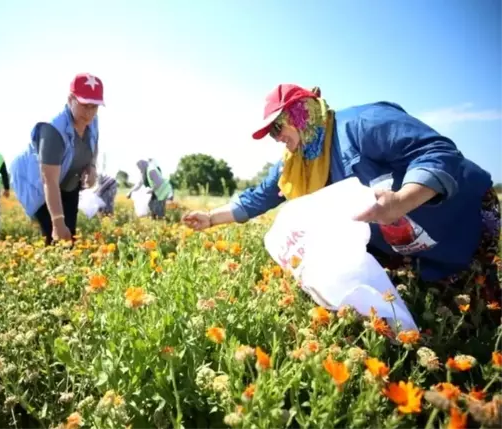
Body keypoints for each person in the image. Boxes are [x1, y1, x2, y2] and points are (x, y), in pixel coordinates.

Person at [182, 84, 500, 307]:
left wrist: (401, 201)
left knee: (489, 307)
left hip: (463, 215)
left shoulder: (362, 123)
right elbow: (257, 198)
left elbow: (438, 153)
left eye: (278, 127)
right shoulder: (295, 165)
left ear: (299, 113)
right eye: (272, 134)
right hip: (412, 246)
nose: (277, 138)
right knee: (449, 315)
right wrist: (210, 218)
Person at [10, 73, 102, 245]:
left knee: (70, 237)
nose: (89, 113)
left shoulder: (92, 121)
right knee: (54, 235)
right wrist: (57, 222)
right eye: (84, 105)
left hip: (68, 182)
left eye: (94, 106)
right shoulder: (53, 130)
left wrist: (91, 167)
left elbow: (93, 145)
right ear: (70, 99)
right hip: (39, 185)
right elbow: (48, 181)